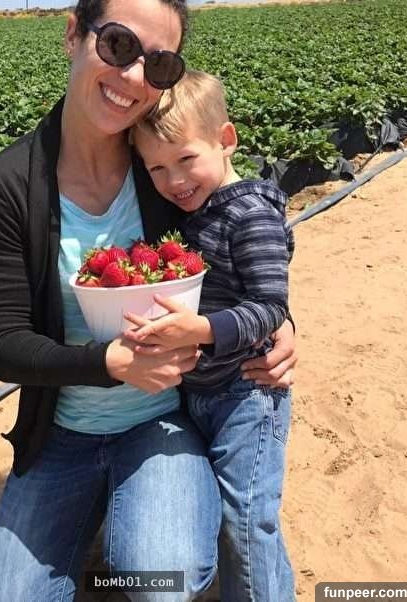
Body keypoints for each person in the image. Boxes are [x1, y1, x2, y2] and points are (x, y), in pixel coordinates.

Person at [0, 1, 297, 600]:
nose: (134, 76)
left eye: (160, 63)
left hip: (163, 419)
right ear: (74, 34)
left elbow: (240, 239)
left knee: (161, 581)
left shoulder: (161, 166)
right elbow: (6, 346)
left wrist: (281, 321)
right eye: (118, 45)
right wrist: (110, 363)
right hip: (64, 432)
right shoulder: (9, 183)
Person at [126, 70, 296, 601]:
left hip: (248, 393)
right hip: (202, 391)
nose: (173, 180)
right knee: (237, 512)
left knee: (246, 517)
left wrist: (200, 330)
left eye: (185, 159)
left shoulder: (250, 216)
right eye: (156, 167)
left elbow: (270, 306)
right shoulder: (195, 212)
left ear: (226, 140)